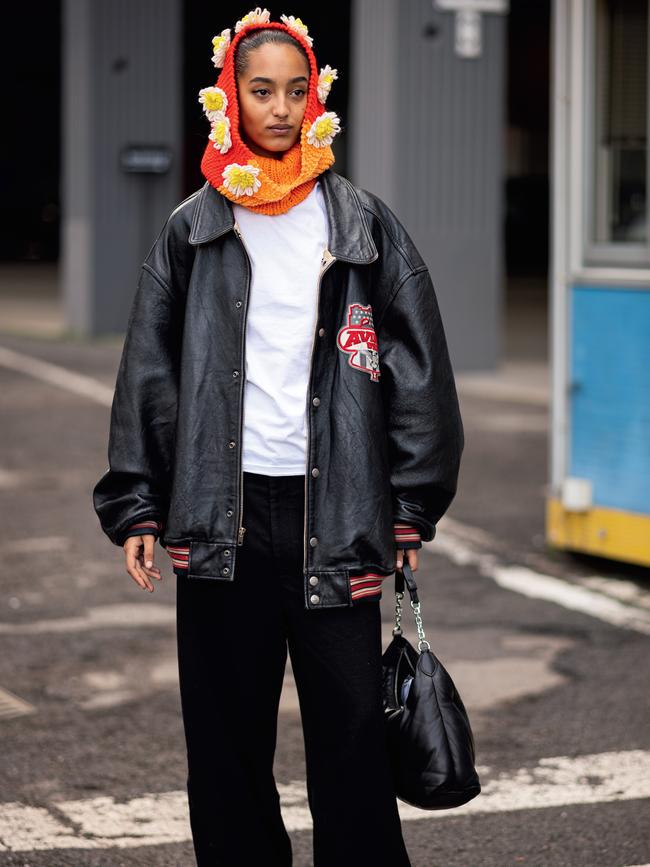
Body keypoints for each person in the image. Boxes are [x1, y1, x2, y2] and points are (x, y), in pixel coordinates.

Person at [93, 8, 464, 866]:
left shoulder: (361, 224)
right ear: (230, 96)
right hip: (221, 522)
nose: (281, 108)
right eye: (261, 90)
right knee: (226, 753)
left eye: (297, 91)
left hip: (337, 520)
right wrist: (138, 503)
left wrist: (409, 506)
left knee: (351, 745)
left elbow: (421, 371)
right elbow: (149, 371)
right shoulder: (191, 228)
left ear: (317, 98)